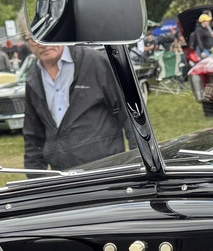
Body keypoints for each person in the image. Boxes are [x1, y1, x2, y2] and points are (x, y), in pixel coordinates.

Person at [21, 24, 136, 171]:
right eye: (33, 38)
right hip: (63, 175)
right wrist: (37, 177)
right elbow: (33, 136)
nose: (42, 43)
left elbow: (130, 115)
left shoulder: (96, 63)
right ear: (26, 43)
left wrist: (138, 162)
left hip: (106, 171)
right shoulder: (32, 78)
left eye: (46, 33)